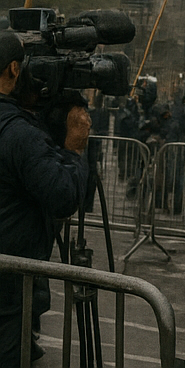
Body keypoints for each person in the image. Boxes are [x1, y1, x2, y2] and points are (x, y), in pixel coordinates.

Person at [0, 29, 92, 366]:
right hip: (9, 281)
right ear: (14, 69)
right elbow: (63, 197)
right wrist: (74, 149)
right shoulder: (19, 133)